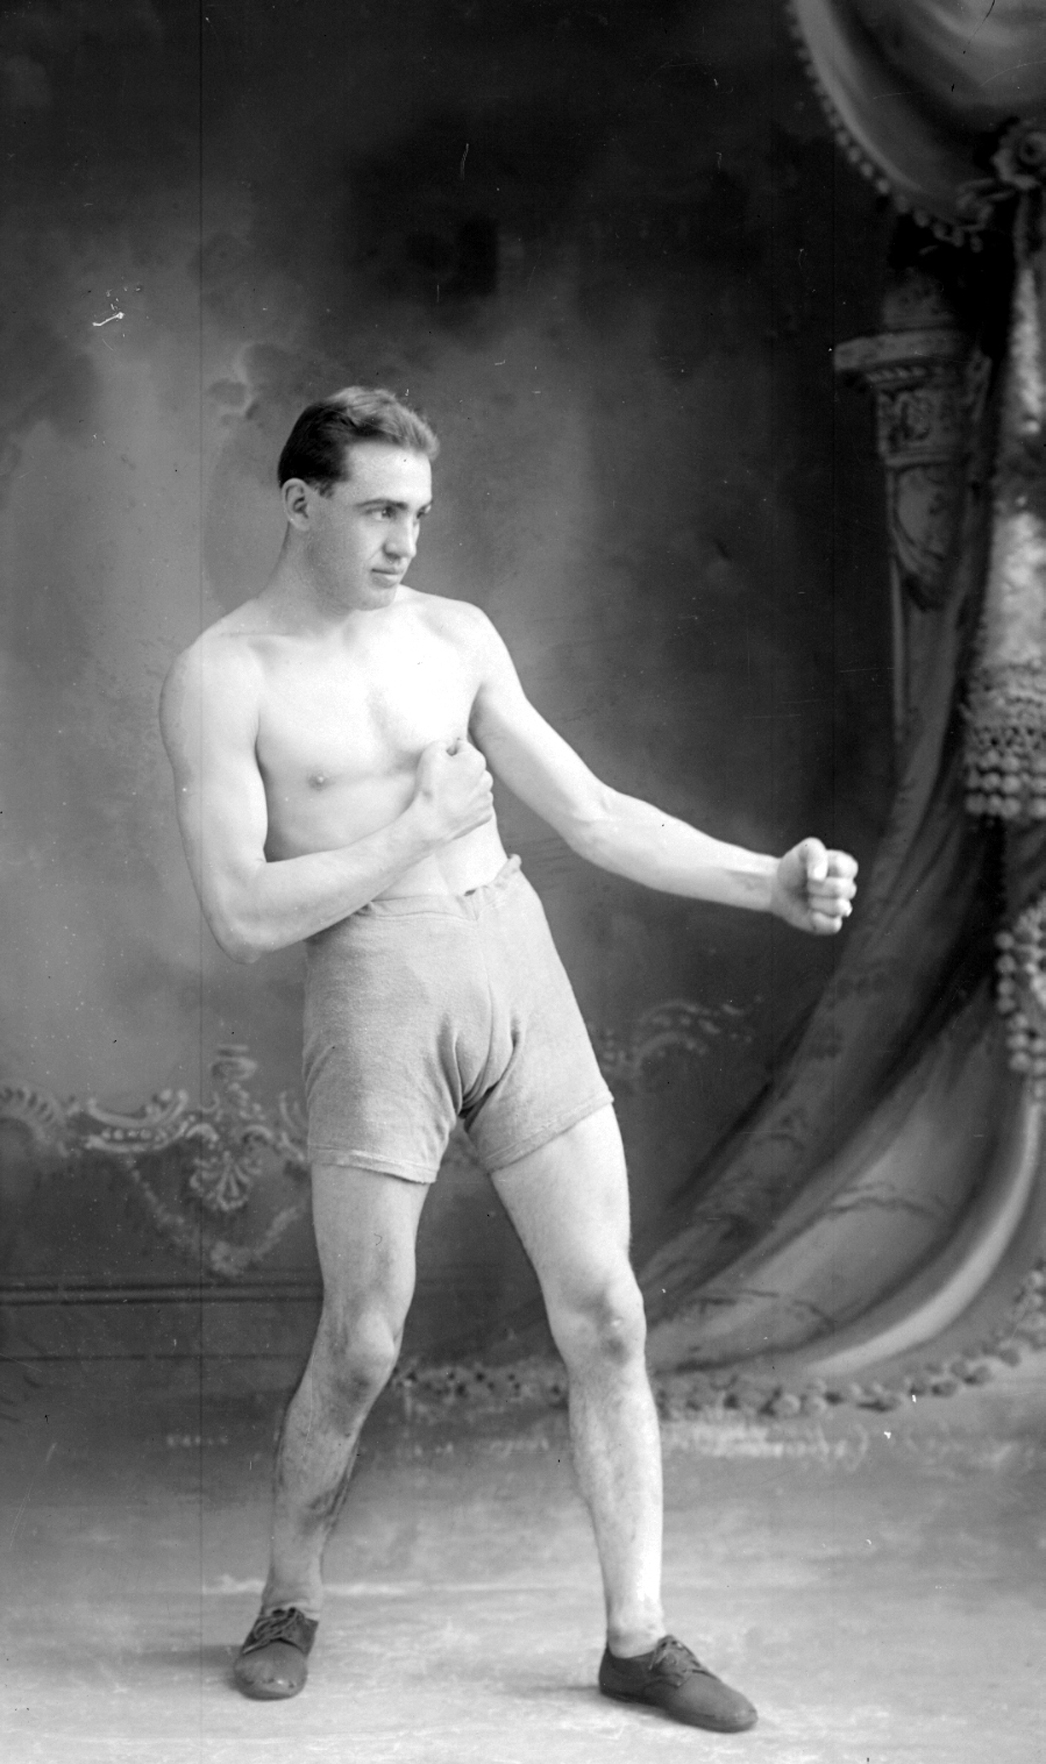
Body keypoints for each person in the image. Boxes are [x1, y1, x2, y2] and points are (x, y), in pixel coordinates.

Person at [160, 386, 857, 1733]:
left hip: (511, 967)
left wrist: (762, 880)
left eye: (417, 514)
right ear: (299, 504)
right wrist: (413, 834)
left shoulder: (454, 638)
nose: (402, 542)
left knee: (604, 1314)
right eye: (375, 512)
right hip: (372, 994)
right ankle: (287, 1600)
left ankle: (638, 1637)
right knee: (363, 1342)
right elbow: (243, 913)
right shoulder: (224, 674)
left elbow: (592, 814)